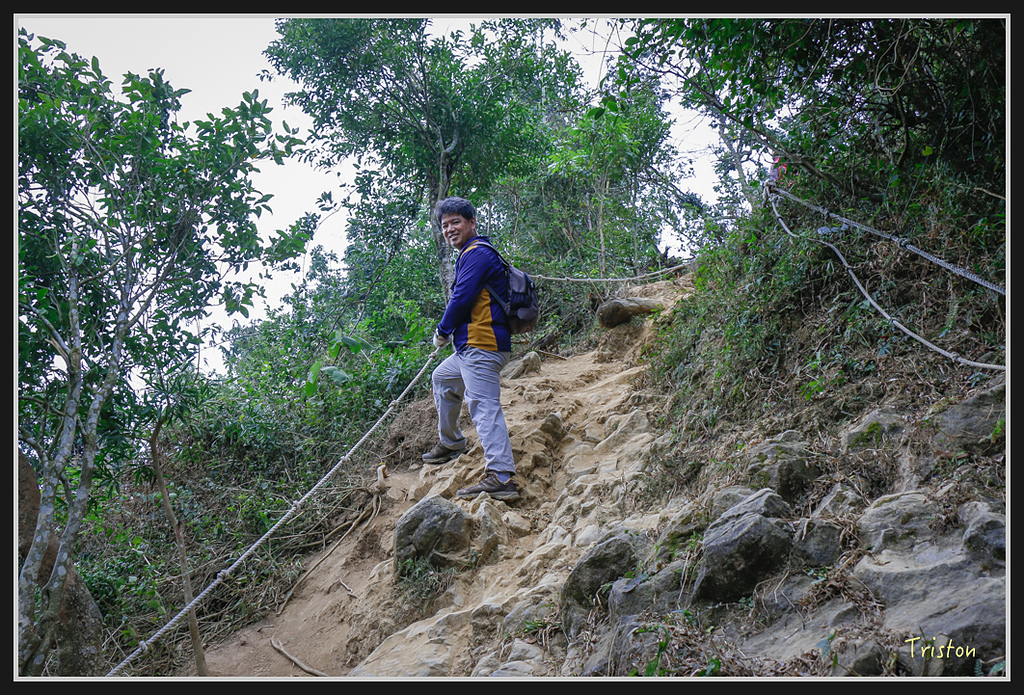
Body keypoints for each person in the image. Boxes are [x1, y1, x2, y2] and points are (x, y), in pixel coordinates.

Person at [422, 197, 519, 502]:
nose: (449, 229)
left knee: (483, 405)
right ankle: (452, 443)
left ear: (472, 223)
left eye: (456, 222)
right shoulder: (471, 253)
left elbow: (461, 297)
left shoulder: (477, 253)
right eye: (445, 225)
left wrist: (442, 331)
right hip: (471, 346)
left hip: (483, 343)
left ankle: (501, 476)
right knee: (442, 378)